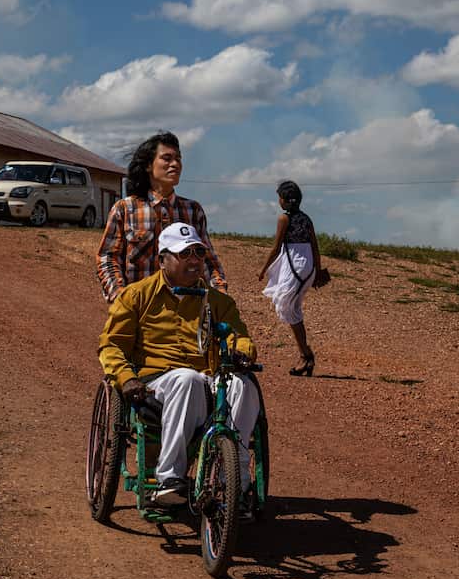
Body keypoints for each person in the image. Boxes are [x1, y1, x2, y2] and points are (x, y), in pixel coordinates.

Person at [99, 222, 260, 511]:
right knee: (187, 379)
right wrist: (125, 378)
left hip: (207, 380)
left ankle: (234, 480)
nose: (194, 260)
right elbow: (112, 346)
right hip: (155, 384)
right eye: (184, 254)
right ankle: (170, 478)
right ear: (163, 260)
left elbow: (239, 336)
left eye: (199, 252)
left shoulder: (218, 302)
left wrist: (241, 351)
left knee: (243, 386)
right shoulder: (136, 296)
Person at [97, 131, 226, 302]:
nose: (175, 164)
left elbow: (208, 260)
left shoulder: (193, 211)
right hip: (139, 308)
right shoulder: (125, 209)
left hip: (186, 309)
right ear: (148, 166)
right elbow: (108, 258)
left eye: (178, 159)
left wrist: (220, 296)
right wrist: (121, 297)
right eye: (167, 158)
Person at [257, 180, 327, 377]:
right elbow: (315, 246)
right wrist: (317, 270)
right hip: (307, 267)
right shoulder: (306, 219)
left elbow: (276, 247)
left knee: (288, 307)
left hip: (295, 266)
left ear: (286, 200)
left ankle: (306, 356)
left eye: (280, 197)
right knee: (292, 308)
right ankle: (305, 356)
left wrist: (263, 270)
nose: (278, 201)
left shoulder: (284, 219)